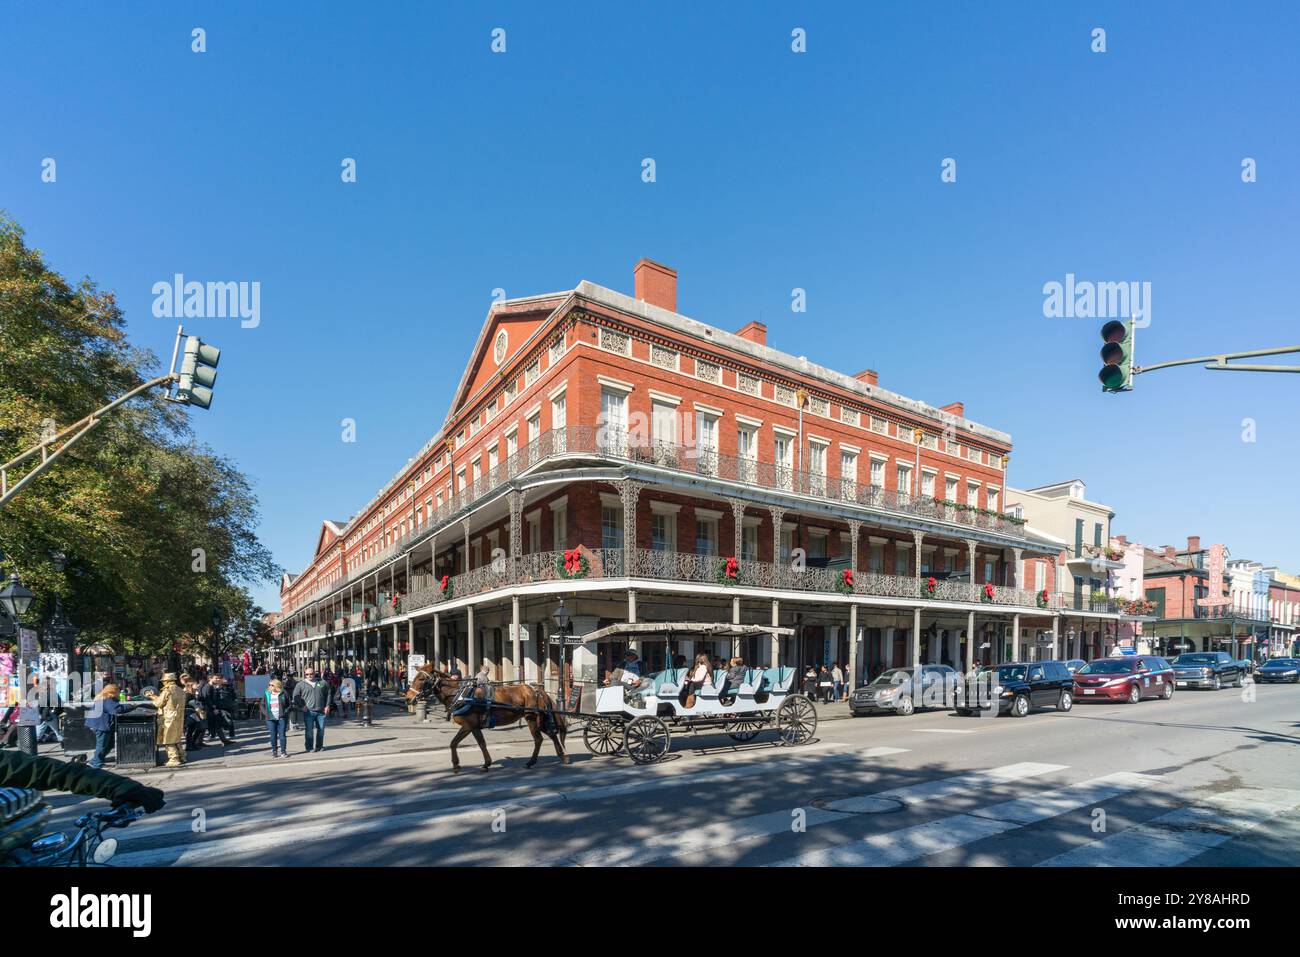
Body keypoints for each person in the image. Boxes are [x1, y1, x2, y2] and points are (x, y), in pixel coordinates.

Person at [84, 683, 136, 769]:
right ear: (114, 691)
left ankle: (95, 760)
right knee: (102, 745)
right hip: (101, 725)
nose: (119, 693)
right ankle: (96, 763)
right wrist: (131, 706)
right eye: (118, 691)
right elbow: (115, 710)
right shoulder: (108, 699)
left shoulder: (104, 697)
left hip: (100, 724)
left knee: (109, 744)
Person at [144, 673, 187, 767]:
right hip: (179, 717)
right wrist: (153, 696)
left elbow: (159, 704)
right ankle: (182, 756)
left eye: (163, 681)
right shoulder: (180, 690)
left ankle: (174, 758)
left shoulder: (167, 691)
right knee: (176, 738)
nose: (163, 683)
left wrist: (151, 697)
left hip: (168, 717)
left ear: (167, 681)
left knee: (168, 739)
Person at [292, 668, 334, 752]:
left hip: (321, 711)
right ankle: (309, 747)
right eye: (307, 674)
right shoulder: (300, 684)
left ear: (315, 673)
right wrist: (302, 706)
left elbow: (329, 693)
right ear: (305, 675)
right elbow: (295, 696)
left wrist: (327, 705)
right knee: (309, 731)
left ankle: (319, 746)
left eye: (311, 674)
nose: (309, 676)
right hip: (308, 711)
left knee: (321, 730)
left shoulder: (322, 683)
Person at [265, 678, 290, 758]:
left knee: (282, 734)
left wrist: (285, 712)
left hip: (281, 717)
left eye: (272, 685)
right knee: (273, 734)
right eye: (269, 685)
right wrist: (265, 713)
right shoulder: (267, 694)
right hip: (271, 718)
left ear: (276, 686)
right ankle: (274, 751)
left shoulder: (283, 693)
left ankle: (283, 751)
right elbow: (262, 704)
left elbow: (289, 704)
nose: (270, 686)